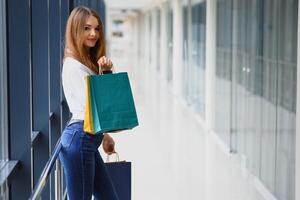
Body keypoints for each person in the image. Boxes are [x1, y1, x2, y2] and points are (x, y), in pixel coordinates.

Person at [59, 6, 119, 200]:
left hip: (86, 138)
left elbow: (91, 108)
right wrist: (107, 76)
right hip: (81, 138)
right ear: (75, 29)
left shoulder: (83, 63)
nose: (93, 33)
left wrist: (105, 135)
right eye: (86, 28)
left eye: (96, 28)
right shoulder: (75, 67)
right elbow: (98, 107)